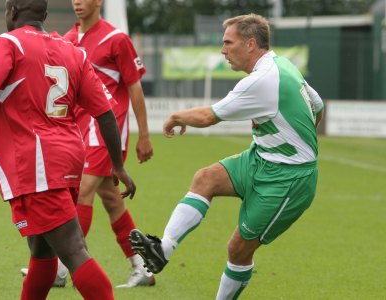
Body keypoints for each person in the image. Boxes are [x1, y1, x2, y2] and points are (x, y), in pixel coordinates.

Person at [129, 13, 324, 299]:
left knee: (238, 249)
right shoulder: (283, 65)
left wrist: (174, 117)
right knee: (206, 178)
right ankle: (162, 250)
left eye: (228, 43)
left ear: (249, 44)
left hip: (288, 179)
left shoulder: (262, 79)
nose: (223, 50)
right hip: (260, 159)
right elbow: (317, 105)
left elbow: (209, 116)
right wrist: (288, 137)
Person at [0, 0, 136, 299]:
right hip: (68, 157)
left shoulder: (9, 43)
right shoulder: (73, 51)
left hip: (36, 164)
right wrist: (117, 164)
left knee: (74, 249)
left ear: (12, 12)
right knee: (42, 252)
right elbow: (105, 111)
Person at [20, 0, 153, 288]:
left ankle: (59, 266)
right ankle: (141, 266)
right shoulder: (68, 39)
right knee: (111, 198)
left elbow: (134, 86)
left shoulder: (117, 39)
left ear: (99, 2)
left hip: (105, 129)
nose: (77, 2)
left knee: (82, 192)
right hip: (80, 130)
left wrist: (144, 134)